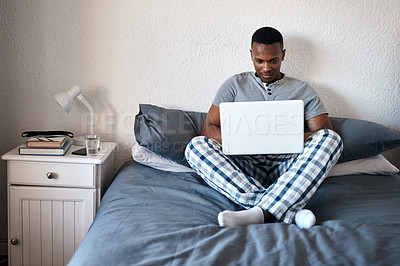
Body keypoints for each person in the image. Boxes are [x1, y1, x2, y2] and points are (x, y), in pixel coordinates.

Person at [185, 27, 343, 229]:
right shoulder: (234, 85)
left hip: (288, 166)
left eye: (273, 60)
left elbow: (322, 133)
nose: (266, 68)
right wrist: (249, 139)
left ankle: (258, 212)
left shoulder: (303, 90)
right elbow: (208, 129)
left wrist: (282, 137)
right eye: (260, 61)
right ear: (251, 56)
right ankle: (289, 211)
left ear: (283, 55)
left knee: (332, 139)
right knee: (195, 146)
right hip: (243, 166)